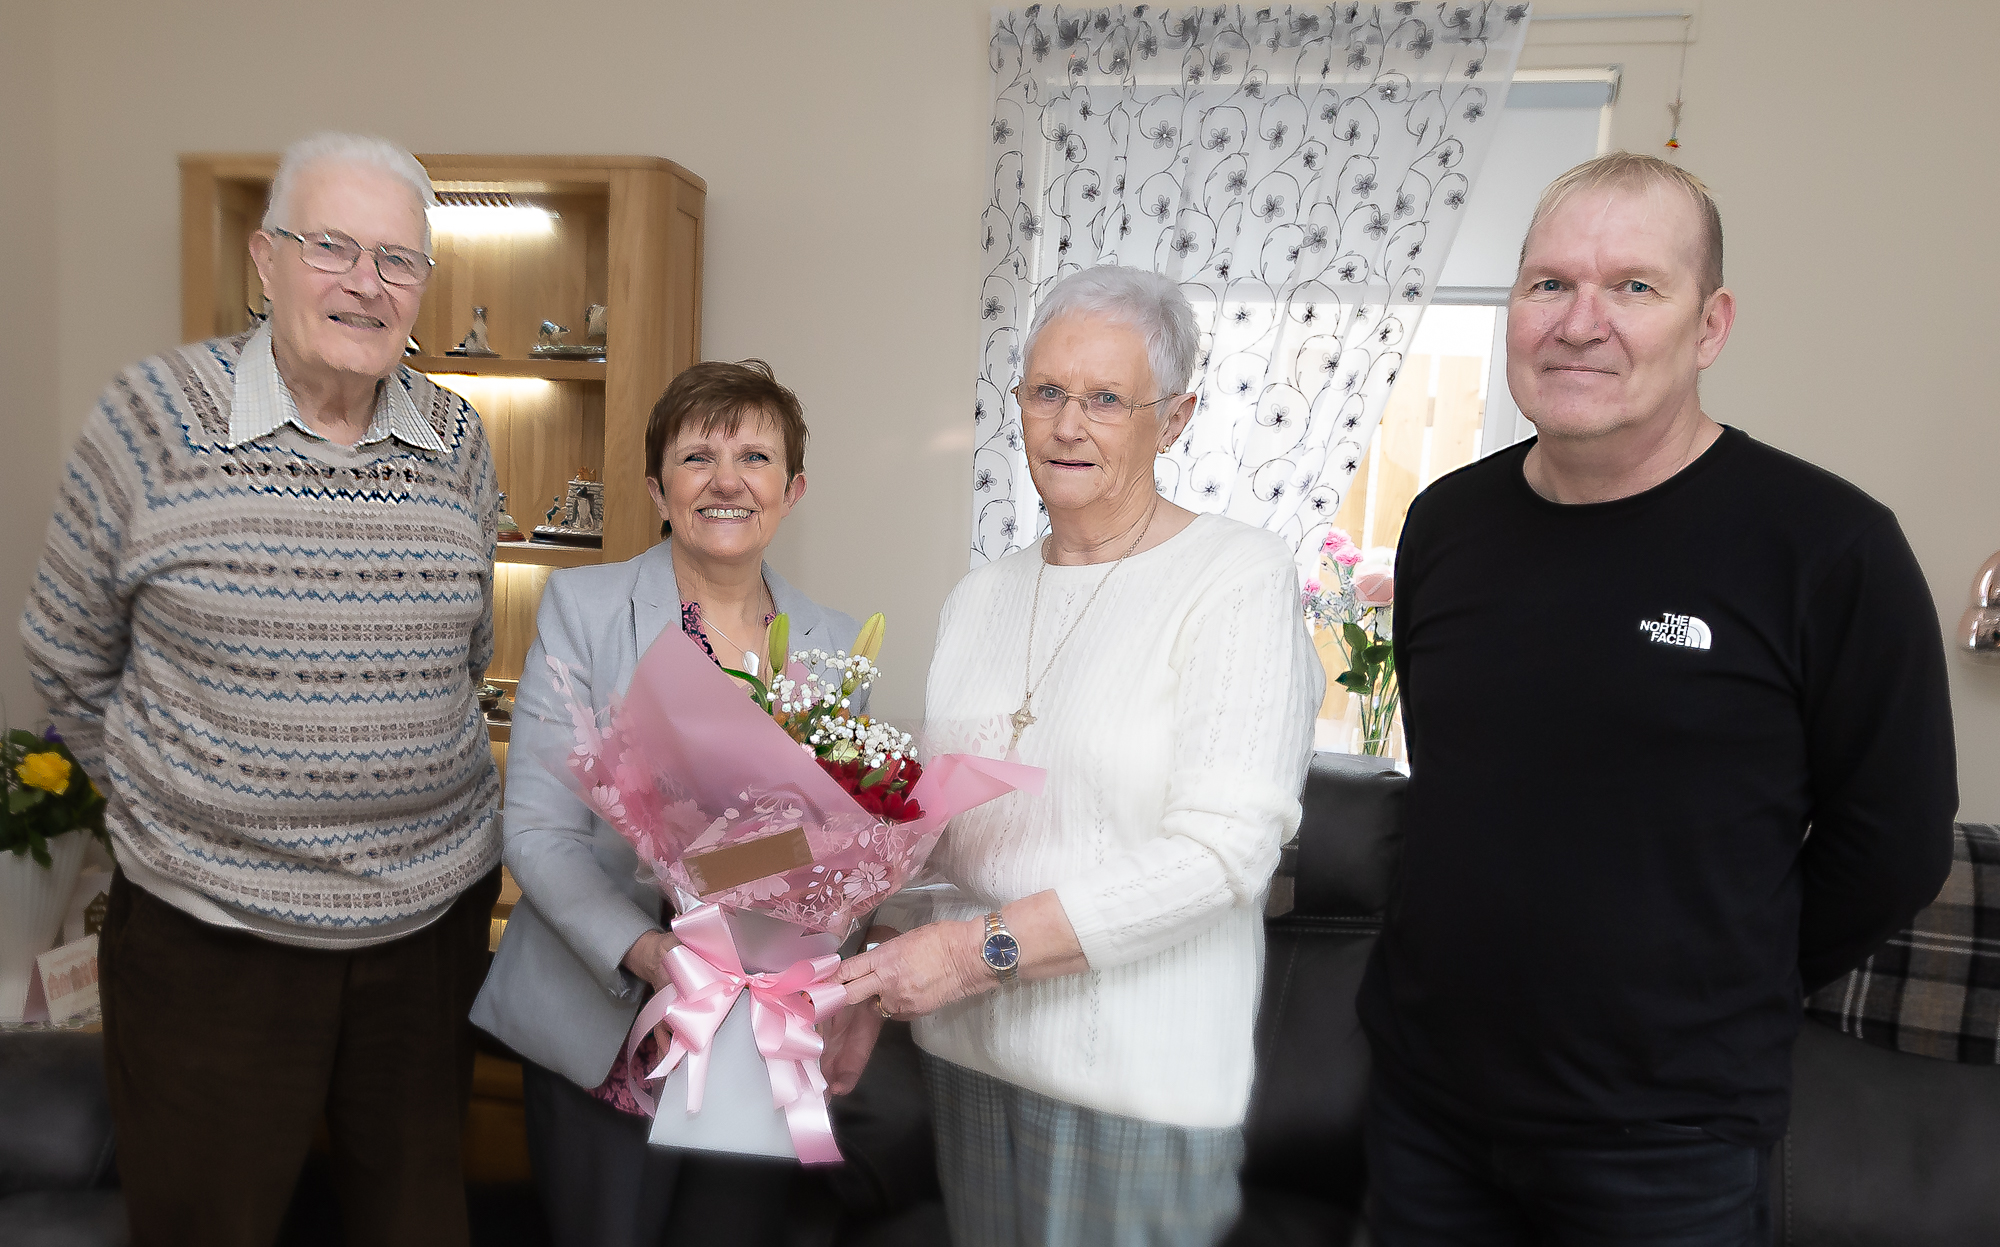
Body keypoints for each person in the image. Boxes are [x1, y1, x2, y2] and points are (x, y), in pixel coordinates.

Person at [1357, 152, 1958, 1245]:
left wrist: (1709, 976)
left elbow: (1893, 847)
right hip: (1424, 1112)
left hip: (1664, 1142)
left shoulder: (1827, 547)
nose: (1578, 322)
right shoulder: (1445, 523)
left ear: (1709, 325)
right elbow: (1453, 778)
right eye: (1547, 283)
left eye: (1632, 286)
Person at [19, 132, 502, 1246]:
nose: (364, 282)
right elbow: (65, 652)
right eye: (331, 245)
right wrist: (191, 806)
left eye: (397, 259)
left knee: (416, 1224)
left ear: (424, 285)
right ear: (265, 260)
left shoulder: (460, 438)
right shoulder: (146, 417)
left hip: (423, 934)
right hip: (211, 944)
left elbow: (460, 654)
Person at [832, 265, 1324, 1247]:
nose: (1067, 424)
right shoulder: (980, 597)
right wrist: (852, 961)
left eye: (1105, 398)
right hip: (969, 1061)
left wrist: (978, 953)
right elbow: (945, 840)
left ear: (1174, 417)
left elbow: (1221, 856)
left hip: (1136, 1090)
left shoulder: (1235, 576)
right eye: (1046, 392)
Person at [469, 360, 863, 1247]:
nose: (727, 479)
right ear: (658, 486)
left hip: (756, 1036)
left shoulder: (837, 644)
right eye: (699, 456)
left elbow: (850, 846)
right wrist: (649, 952)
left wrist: (843, 968)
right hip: (608, 1016)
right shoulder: (583, 607)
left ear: (792, 489)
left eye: (755, 456)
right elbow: (536, 829)